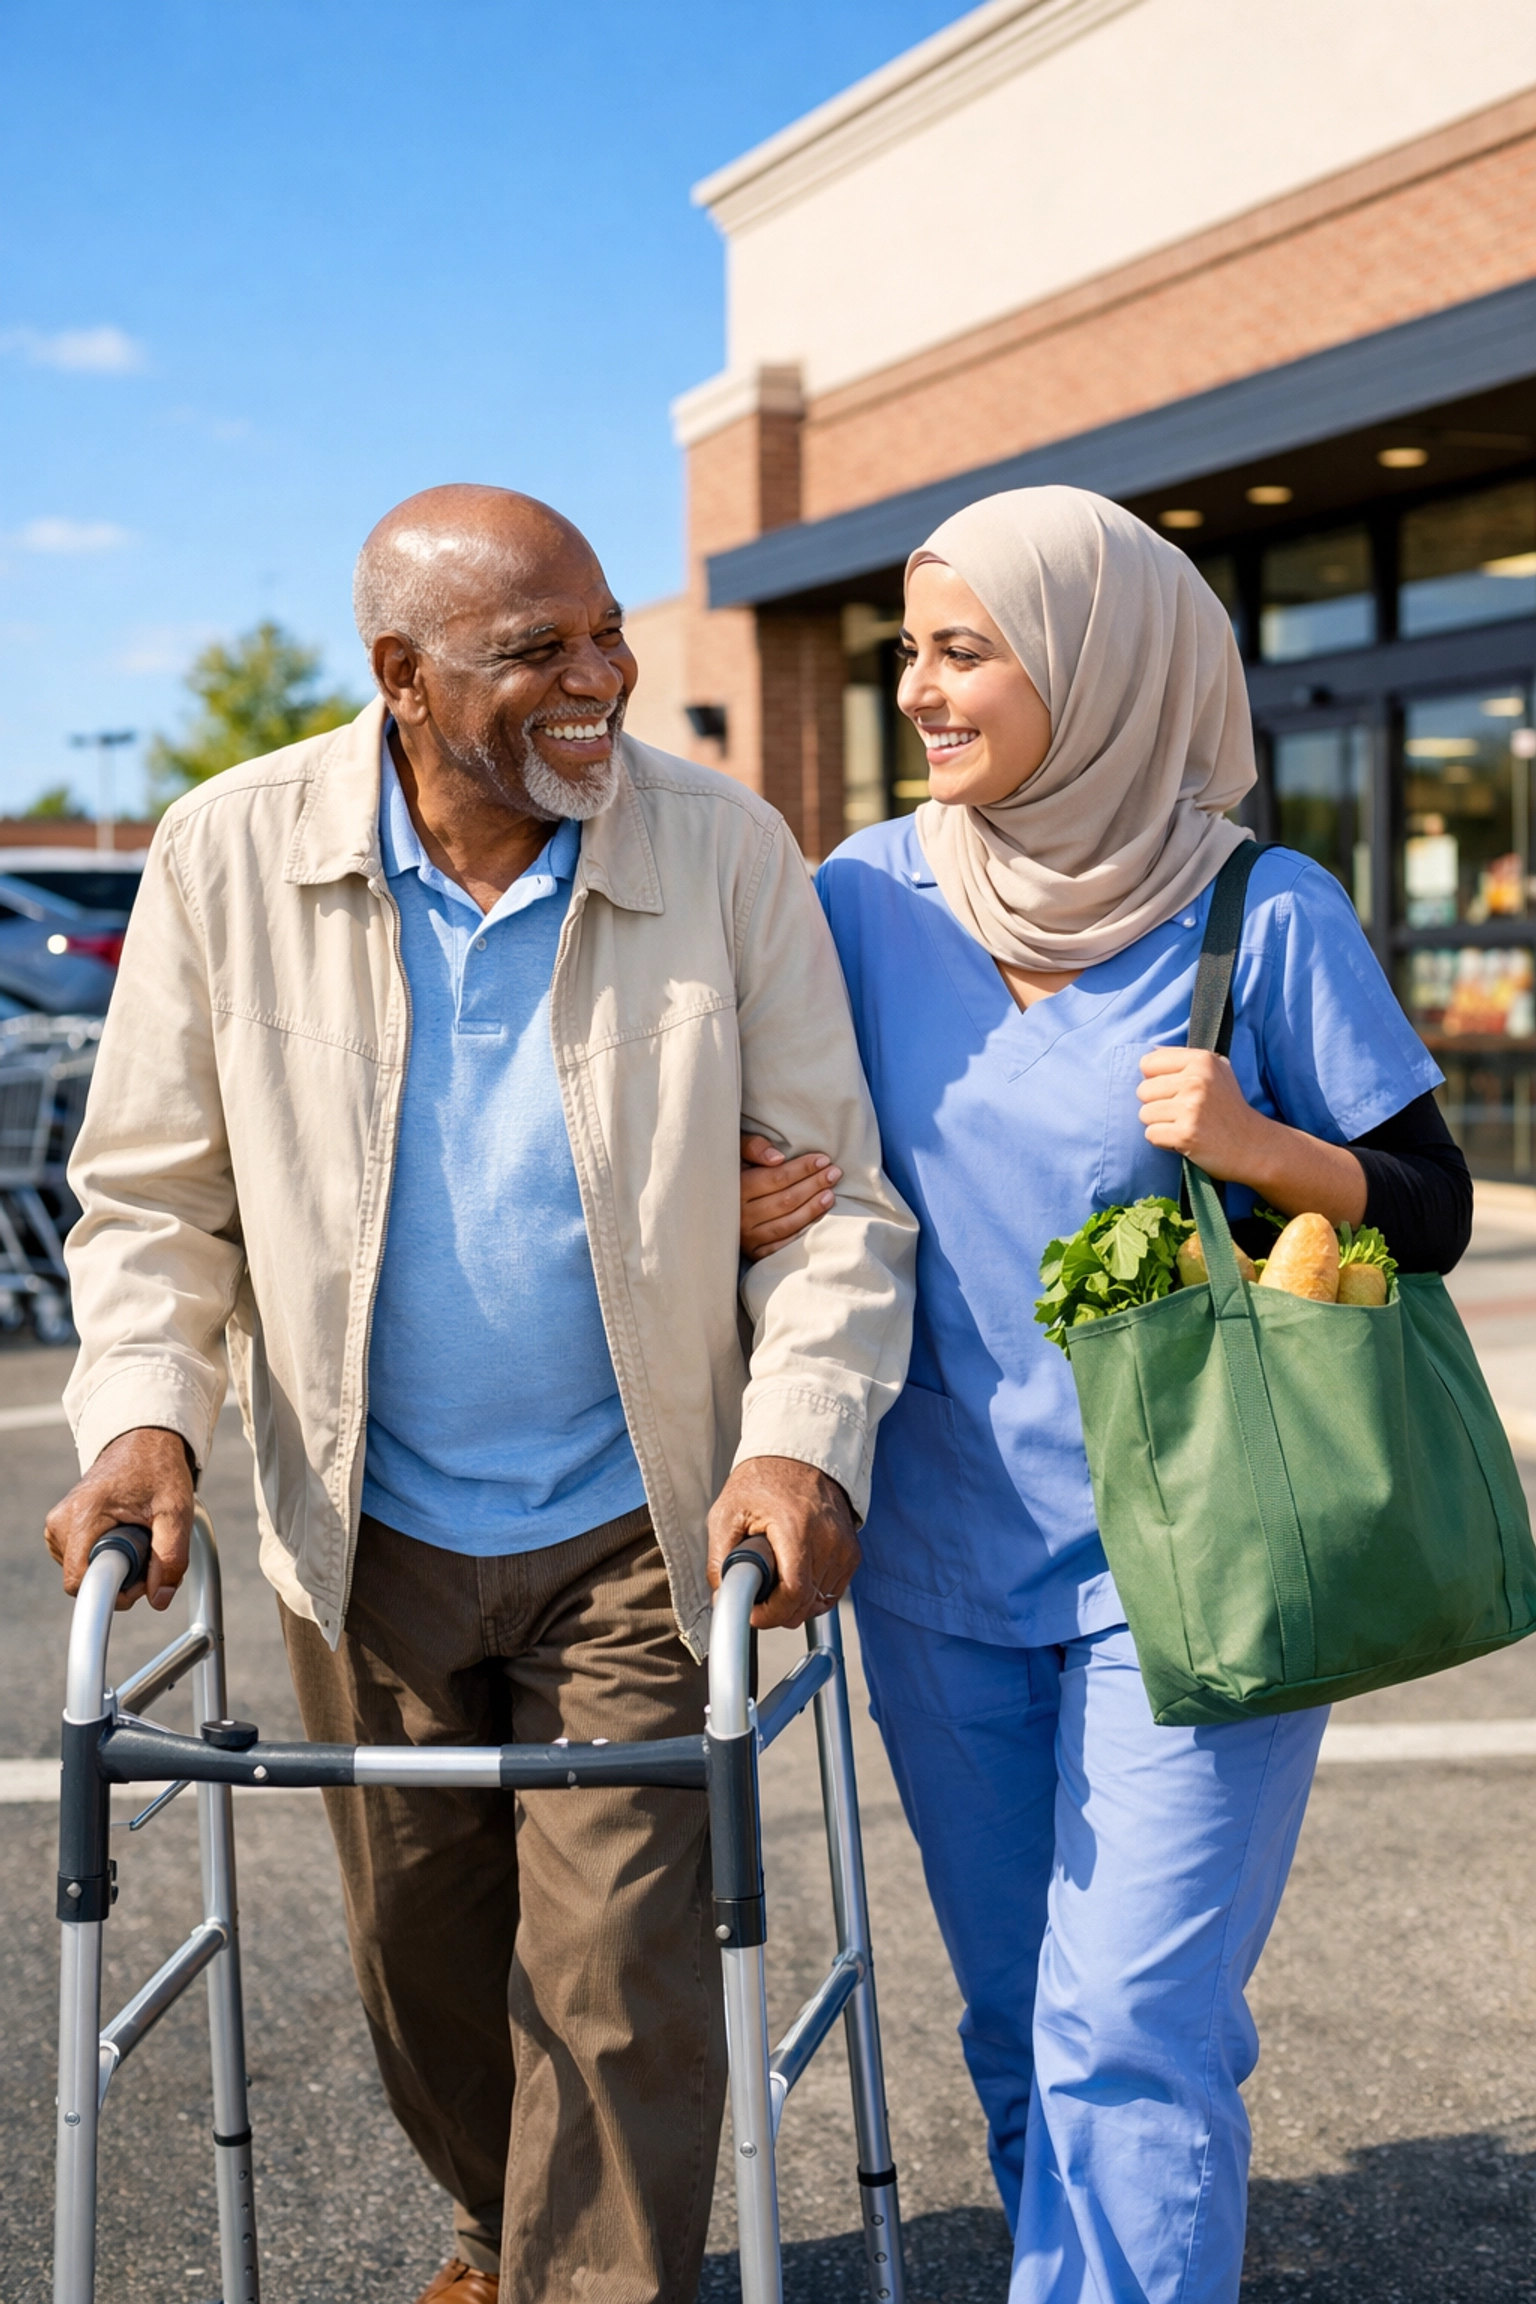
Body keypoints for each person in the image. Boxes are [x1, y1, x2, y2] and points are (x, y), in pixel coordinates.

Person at [46, 485, 916, 2304]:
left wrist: (797, 1439)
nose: (600, 676)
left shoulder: (723, 847)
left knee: (611, 1981)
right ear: (402, 677)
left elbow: (837, 1213)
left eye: (608, 629)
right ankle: (494, 2232)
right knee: (424, 1958)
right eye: (539, 651)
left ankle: (575, 2278)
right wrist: (142, 1415)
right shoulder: (228, 851)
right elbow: (151, 1201)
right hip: (361, 1522)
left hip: (640, 1515)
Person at [741, 486, 1471, 2304]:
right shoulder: (857, 897)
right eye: (908, 650)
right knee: (1017, 2020)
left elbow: (1436, 1209)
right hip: (934, 1567)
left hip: (1208, 1551)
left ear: (1103, 662)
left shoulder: (1265, 908)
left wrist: (1261, 1145)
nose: (919, 689)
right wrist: (739, 1191)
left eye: (963, 649)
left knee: (1132, 2020)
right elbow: (791, 1149)